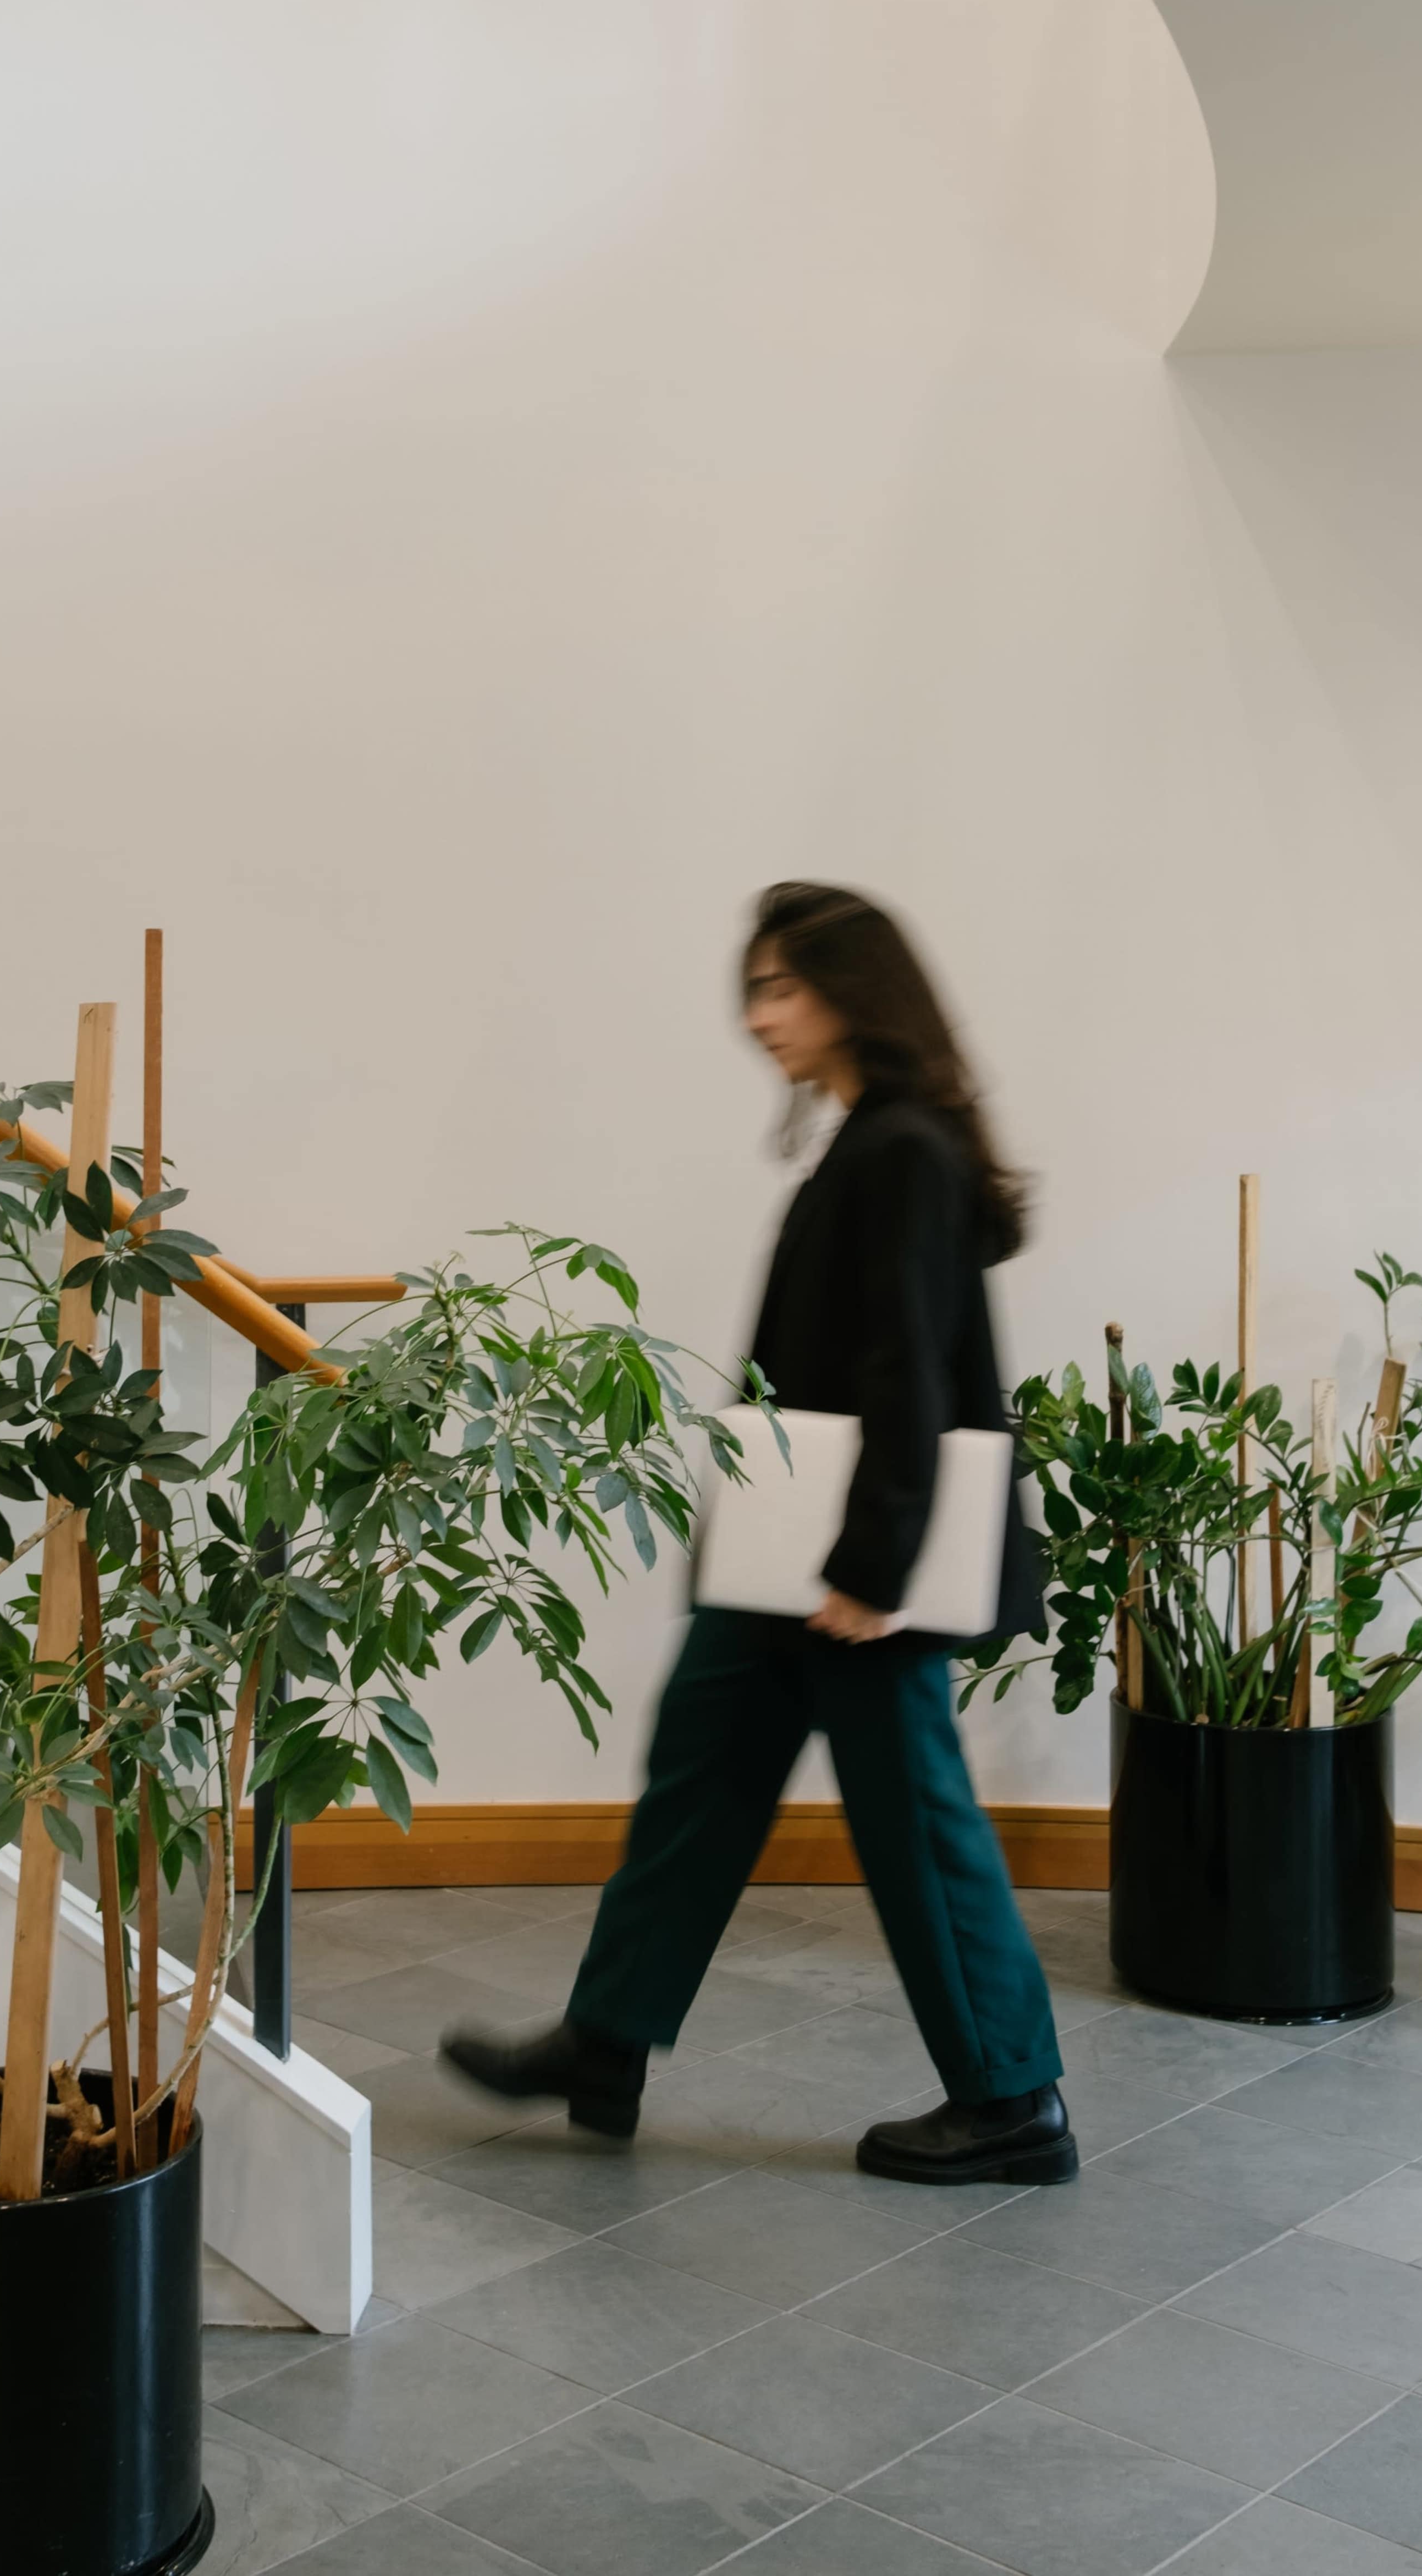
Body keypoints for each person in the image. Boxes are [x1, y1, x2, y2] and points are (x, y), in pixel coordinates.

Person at [440, 881, 1075, 2186]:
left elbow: (911, 1368)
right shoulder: (870, 1139)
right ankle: (606, 2042)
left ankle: (1014, 2100)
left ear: (858, 993)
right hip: (787, 1553)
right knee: (699, 1771)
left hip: (852, 1560)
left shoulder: (901, 1147)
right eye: (756, 987)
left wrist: (869, 1569)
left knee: (914, 1817)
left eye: (782, 986)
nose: (756, 1016)